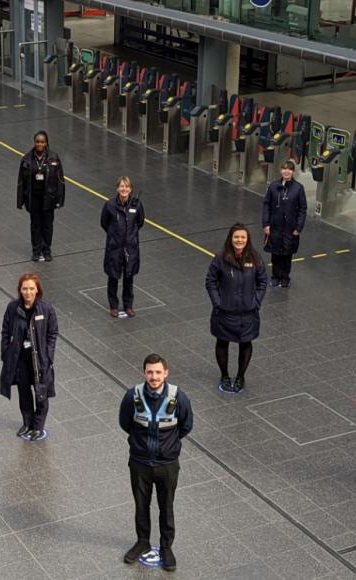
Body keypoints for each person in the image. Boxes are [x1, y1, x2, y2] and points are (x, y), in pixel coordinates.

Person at [119, 353, 193, 572]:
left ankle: (166, 547)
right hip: (140, 462)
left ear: (166, 373)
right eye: (150, 372)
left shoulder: (178, 397)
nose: (154, 376)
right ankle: (142, 542)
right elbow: (125, 422)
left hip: (167, 464)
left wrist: (168, 446)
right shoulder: (132, 396)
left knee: (166, 506)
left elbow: (186, 425)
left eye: (158, 372)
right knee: (141, 505)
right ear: (144, 373)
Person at [205, 223, 268, 393]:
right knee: (222, 342)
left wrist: (256, 302)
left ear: (247, 239)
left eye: (243, 237)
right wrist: (218, 302)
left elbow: (263, 281)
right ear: (230, 239)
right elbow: (210, 281)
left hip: (248, 313)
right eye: (236, 237)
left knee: (245, 343)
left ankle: (240, 376)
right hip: (224, 312)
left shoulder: (255, 258)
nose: (239, 240)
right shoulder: (220, 258)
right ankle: (224, 375)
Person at [0, 273, 58, 441]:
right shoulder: (12, 308)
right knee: (23, 391)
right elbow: (5, 331)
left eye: (31, 288)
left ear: (37, 290)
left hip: (40, 359)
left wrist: (48, 355)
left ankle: (38, 426)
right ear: (20, 290)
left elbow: (52, 333)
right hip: (20, 359)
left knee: (41, 392)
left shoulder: (46, 308)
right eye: (25, 288)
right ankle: (27, 422)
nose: (28, 292)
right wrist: (6, 353)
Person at [100, 176, 145, 318]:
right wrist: (114, 236)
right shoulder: (110, 205)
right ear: (117, 188)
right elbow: (104, 222)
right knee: (113, 276)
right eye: (121, 186)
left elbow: (140, 222)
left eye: (126, 186)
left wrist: (130, 237)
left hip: (130, 248)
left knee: (129, 277)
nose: (124, 189)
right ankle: (113, 306)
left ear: (130, 189)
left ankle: (128, 306)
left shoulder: (136, 205)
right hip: (115, 248)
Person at [17, 131, 65, 261]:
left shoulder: (54, 158)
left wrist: (59, 199)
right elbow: (21, 181)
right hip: (34, 198)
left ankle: (47, 250)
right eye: (37, 142)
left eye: (42, 142)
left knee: (48, 225)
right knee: (35, 225)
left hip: (48, 198)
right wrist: (20, 200)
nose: (40, 144)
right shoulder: (27, 159)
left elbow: (60, 180)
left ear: (46, 143)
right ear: (34, 142)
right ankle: (36, 250)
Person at [262, 159, 307, 288]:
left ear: (293, 172)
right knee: (275, 253)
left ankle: (285, 277)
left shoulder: (298, 188)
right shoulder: (273, 186)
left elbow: (302, 209)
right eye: (284, 168)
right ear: (280, 170)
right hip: (275, 227)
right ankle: (275, 276)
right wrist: (266, 224)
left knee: (287, 254)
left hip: (290, 228)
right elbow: (266, 205)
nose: (286, 171)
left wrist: (298, 227)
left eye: (289, 169)